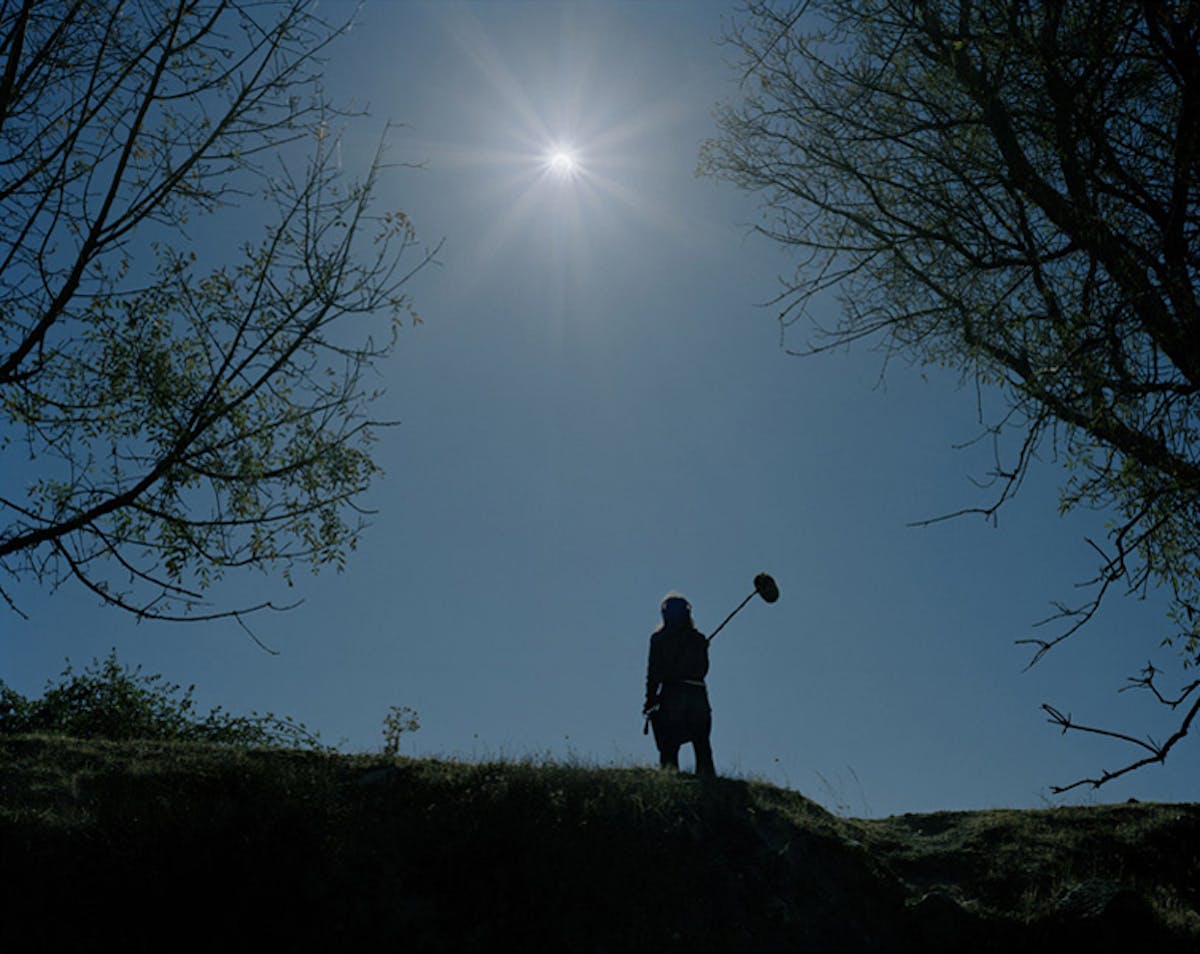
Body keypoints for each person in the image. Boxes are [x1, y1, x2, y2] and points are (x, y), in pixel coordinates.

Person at [643, 593, 715, 778]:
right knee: (702, 744)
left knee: (669, 746)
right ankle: (708, 785)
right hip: (698, 695)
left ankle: (669, 783)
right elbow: (703, 670)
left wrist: (650, 699)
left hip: (672, 695)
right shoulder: (698, 639)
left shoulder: (658, 639)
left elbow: (653, 672)